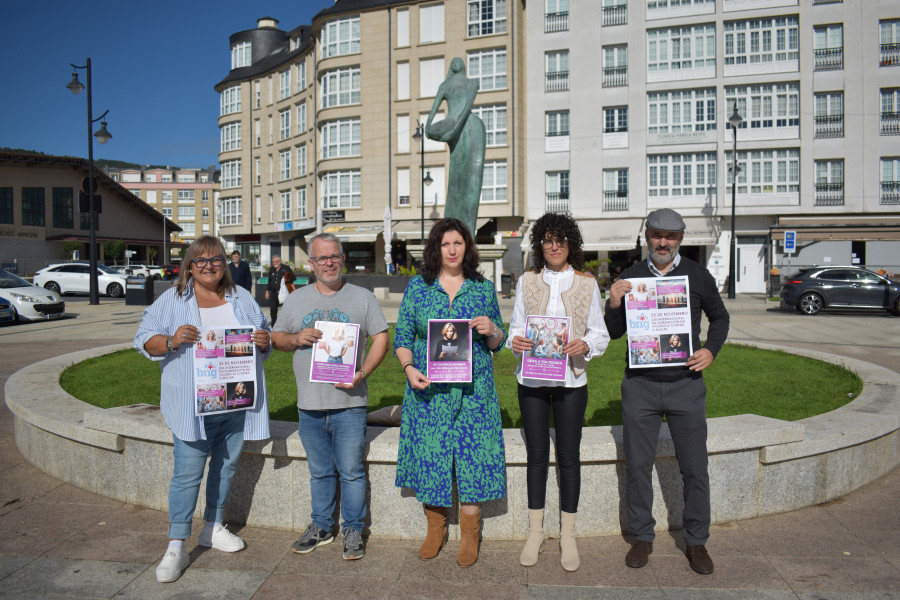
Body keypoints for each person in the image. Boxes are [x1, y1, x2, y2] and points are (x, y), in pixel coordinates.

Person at [133, 235, 272, 584]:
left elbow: (263, 334)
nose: (209, 266)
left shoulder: (240, 297)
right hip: (194, 406)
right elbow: (144, 339)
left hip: (236, 400)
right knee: (187, 474)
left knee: (226, 467)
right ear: (189, 267)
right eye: (201, 261)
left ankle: (213, 526)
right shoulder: (174, 299)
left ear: (226, 263)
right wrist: (171, 340)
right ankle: (176, 544)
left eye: (216, 260)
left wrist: (264, 341)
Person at [604, 208, 730, 575]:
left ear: (680, 240)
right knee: (638, 467)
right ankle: (642, 537)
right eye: (657, 234)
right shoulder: (630, 277)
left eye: (670, 237)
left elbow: (720, 317)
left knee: (695, 467)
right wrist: (613, 303)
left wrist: (711, 350)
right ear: (647, 236)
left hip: (685, 385)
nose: (663, 242)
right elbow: (614, 332)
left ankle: (696, 541)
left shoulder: (697, 275)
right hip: (640, 385)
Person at [394, 217, 506, 567]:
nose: (452, 250)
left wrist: (492, 330)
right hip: (430, 391)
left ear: (467, 247)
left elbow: (498, 341)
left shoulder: (482, 289)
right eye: (445, 244)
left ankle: (470, 533)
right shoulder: (418, 287)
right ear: (436, 249)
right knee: (432, 454)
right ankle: (436, 527)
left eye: (458, 243)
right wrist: (409, 369)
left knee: (473, 457)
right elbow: (402, 338)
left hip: (474, 392)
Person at [272, 233, 389, 561]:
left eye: (334, 256)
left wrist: (362, 373)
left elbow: (381, 337)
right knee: (319, 470)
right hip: (309, 404)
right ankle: (322, 525)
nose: (328, 262)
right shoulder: (296, 299)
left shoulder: (362, 298)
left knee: (351, 470)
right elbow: (277, 337)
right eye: (321, 258)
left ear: (342, 258)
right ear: (310, 263)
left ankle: (353, 529)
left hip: (350, 404)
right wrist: (296, 338)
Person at [506, 212, 610, 571]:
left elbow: (600, 333)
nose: (554, 246)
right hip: (531, 381)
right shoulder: (527, 281)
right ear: (540, 244)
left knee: (568, 456)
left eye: (561, 241)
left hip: (571, 381)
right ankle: (536, 531)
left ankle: (568, 533)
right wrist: (514, 341)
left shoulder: (587, 283)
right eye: (548, 240)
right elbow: (516, 327)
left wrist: (586, 345)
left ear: (571, 245)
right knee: (537, 456)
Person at [425, 57, 486, 236]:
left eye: (460, 61)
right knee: (456, 180)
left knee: (472, 182)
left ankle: (467, 232)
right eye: (454, 61)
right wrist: (428, 128)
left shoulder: (470, 84)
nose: (457, 63)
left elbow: (466, 107)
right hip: (454, 128)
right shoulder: (444, 86)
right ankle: (453, 230)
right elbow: (433, 110)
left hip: (470, 129)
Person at [265, 255, 294, 326]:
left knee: (286, 309)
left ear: (280, 262)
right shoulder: (272, 269)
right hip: (274, 292)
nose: (275, 263)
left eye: (277, 261)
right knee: (273, 309)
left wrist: (286, 277)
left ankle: (287, 324)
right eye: (273, 262)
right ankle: (274, 325)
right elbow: (269, 281)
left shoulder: (286, 268)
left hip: (284, 293)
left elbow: (294, 277)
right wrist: (267, 291)